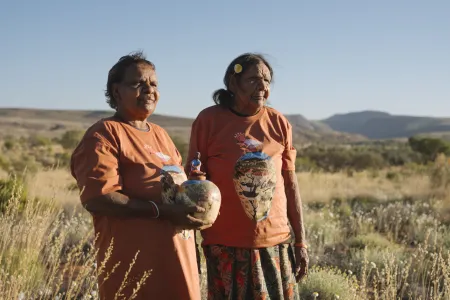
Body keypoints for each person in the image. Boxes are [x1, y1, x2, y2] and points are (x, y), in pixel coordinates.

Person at [70, 51, 209, 300]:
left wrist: (194, 187)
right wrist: (162, 211)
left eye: (153, 84)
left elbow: (173, 193)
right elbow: (98, 198)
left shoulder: (161, 135)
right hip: (136, 268)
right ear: (116, 92)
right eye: (138, 83)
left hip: (179, 261)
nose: (149, 90)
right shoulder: (104, 135)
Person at [186, 53, 309, 299]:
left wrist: (301, 242)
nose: (263, 86)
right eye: (254, 79)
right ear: (233, 83)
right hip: (225, 243)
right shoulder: (209, 120)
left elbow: (290, 185)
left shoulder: (278, 123)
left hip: (275, 242)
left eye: (267, 80)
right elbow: (194, 185)